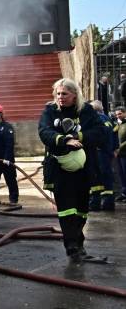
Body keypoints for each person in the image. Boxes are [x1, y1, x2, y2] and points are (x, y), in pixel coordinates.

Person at [38, 78, 105, 263]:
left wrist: (79, 136)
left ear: (74, 95)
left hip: (84, 168)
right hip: (60, 168)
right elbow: (44, 132)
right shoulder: (50, 111)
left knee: (82, 208)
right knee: (66, 208)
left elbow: (100, 133)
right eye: (58, 93)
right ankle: (72, 246)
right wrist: (65, 140)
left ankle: (78, 242)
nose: (60, 97)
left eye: (64, 94)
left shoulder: (86, 111)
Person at [89, 100, 117, 211]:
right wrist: (114, 149)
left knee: (96, 177)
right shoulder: (108, 119)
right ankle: (108, 203)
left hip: (98, 152)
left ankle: (95, 203)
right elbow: (115, 136)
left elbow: (99, 135)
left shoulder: (96, 119)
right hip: (107, 152)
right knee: (107, 177)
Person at [115, 107, 126, 202]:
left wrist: (119, 148)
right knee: (121, 174)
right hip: (119, 153)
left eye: (120, 114)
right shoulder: (119, 124)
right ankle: (124, 193)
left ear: (125, 113)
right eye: (117, 114)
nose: (118, 116)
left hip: (124, 152)